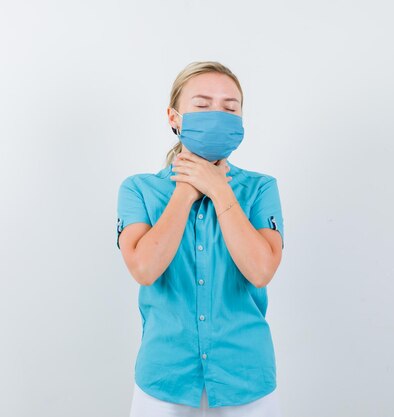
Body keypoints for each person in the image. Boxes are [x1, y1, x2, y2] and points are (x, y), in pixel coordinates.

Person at [116, 61, 285, 417]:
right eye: (203, 104)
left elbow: (260, 270)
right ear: (174, 117)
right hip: (164, 378)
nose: (217, 115)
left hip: (247, 378)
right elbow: (145, 268)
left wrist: (220, 191)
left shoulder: (260, 189)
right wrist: (187, 190)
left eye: (230, 107)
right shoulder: (138, 190)